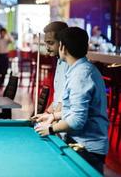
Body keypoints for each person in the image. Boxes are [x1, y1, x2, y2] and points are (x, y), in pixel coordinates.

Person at [34, 27, 109, 174]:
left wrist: (49, 129)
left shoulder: (80, 75)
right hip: (86, 145)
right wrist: (53, 116)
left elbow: (77, 120)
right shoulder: (80, 69)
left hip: (87, 148)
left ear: (62, 47)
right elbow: (77, 110)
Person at [36, 21, 69, 120]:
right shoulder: (60, 61)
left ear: (62, 42)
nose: (47, 47)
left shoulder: (70, 64)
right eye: (46, 43)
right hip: (59, 120)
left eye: (50, 43)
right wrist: (46, 113)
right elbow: (57, 99)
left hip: (66, 127)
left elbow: (63, 102)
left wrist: (51, 120)